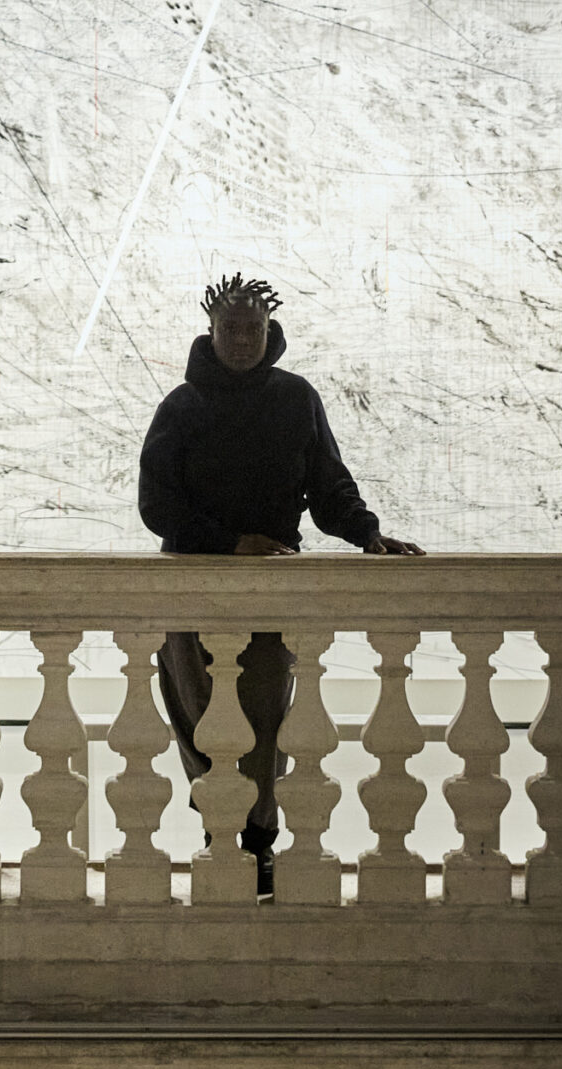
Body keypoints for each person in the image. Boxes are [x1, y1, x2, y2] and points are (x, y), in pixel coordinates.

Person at [138, 271, 422, 881]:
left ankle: (258, 841)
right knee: (197, 716)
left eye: (254, 329)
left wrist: (368, 534)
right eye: (231, 328)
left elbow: (328, 484)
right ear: (210, 330)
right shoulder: (181, 407)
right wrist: (229, 544)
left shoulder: (296, 399)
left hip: (273, 588)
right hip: (190, 588)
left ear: (271, 331)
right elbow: (157, 506)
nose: (243, 339)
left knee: (266, 720)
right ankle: (220, 833)